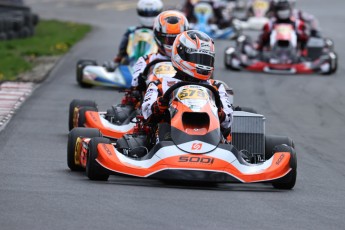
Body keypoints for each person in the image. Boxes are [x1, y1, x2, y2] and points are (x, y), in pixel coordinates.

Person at [141, 30, 233, 144]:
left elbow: (227, 122)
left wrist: (218, 111)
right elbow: (146, 115)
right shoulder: (160, 84)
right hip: (166, 142)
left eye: (206, 59)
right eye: (198, 58)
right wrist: (159, 106)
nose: (203, 64)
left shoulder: (216, 87)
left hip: (212, 142)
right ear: (181, 55)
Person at [131, 10, 189, 92]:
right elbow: (134, 85)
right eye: (167, 39)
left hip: (182, 98)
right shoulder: (145, 60)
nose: (172, 44)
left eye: (176, 39)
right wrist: (140, 82)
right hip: (155, 98)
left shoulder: (190, 61)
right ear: (157, 36)